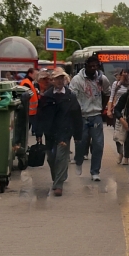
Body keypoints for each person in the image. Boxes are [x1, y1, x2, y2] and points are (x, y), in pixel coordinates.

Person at [35, 68, 82, 197]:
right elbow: (40, 115)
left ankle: (58, 185)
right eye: (58, 78)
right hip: (50, 132)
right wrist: (38, 133)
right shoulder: (46, 96)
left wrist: (78, 135)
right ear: (53, 80)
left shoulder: (70, 96)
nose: (60, 81)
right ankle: (58, 177)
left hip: (64, 131)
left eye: (62, 78)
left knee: (61, 157)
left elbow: (77, 116)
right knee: (51, 158)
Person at [70, 57, 110, 181]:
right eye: (91, 66)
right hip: (81, 116)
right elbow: (72, 97)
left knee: (98, 145)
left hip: (96, 115)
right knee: (81, 142)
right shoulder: (77, 80)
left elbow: (107, 94)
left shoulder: (102, 79)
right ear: (86, 66)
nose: (93, 69)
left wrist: (102, 108)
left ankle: (95, 172)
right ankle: (79, 161)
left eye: (95, 66)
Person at [106, 70, 129, 164]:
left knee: (128, 136)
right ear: (120, 75)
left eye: (127, 74)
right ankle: (120, 153)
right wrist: (109, 110)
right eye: (123, 74)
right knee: (118, 135)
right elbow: (111, 97)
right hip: (118, 112)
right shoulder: (116, 84)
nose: (125, 75)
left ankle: (126, 157)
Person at [18, 68, 40, 133]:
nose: (36, 76)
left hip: (30, 110)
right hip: (28, 110)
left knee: (26, 130)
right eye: (35, 74)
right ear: (30, 74)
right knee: (25, 130)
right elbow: (25, 96)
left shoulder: (29, 82)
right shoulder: (26, 82)